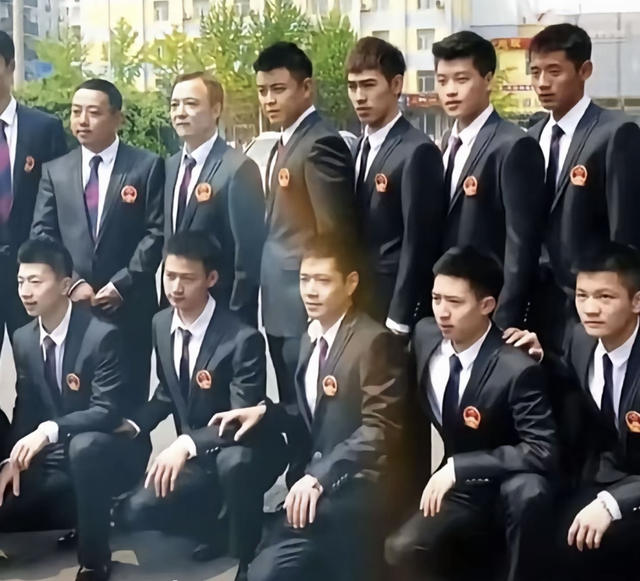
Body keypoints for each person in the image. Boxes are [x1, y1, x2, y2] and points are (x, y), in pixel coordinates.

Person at [211, 234, 407, 581]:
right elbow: (311, 413)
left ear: (351, 283)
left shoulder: (373, 342)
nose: (311, 291)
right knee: (263, 562)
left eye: (323, 281)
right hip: (315, 480)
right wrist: (265, 412)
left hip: (359, 483)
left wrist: (320, 476)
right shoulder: (310, 335)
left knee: (269, 570)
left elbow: (381, 429)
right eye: (304, 279)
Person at [117, 231, 286, 581]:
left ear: (211, 279)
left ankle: (247, 553)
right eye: (169, 276)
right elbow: (169, 392)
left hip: (244, 450)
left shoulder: (242, 338)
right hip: (197, 458)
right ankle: (217, 523)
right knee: (135, 511)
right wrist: (134, 424)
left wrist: (185, 443)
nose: (175, 287)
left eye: (187, 278)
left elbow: (239, 421)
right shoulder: (160, 323)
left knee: (234, 464)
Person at [385, 246, 557, 581]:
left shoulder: (516, 366)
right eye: (436, 299)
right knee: (401, 549)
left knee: (527, 493)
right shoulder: (424, 336)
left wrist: (460, 467)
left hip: (508, 482)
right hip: (459, 486)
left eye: (455, 302)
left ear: (487, 305)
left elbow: (542, 449)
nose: (442, 312)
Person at [0, 237, 148, 581]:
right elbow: (27, 404)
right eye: (20, 282)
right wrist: (12, 461)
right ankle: (81, 513)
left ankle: (95, 559)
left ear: (65, 284)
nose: (25, 292)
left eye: (36, 282)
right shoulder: (23, 338)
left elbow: (107, 410)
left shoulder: (102, 336)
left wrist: (48, 430)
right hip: (55, 457)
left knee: (84, 448)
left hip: (107, 448)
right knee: (8, 507)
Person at [506, 243, 640, 581]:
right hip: (603, 473)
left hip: (632, 489)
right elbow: (572, 379)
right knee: (545, 535)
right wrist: (541, 359)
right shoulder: (580, 338)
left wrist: (614, 503)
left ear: (637, 302)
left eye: (605, 297)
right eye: (582, 296)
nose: (590, 308)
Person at [31, 79, 165, 416]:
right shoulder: (55, 171)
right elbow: (43, 233)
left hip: (129, 306)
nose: (82, 120)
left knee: (130, 404)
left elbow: (156, 233)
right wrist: (73, 282)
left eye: (93, 112)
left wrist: (122, 284)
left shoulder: (146, 166)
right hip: (74, 308)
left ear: (117, 118)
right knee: (79, 403)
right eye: (76, 112)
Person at [526, 24, 640, 355]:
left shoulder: (616, 133)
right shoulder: (530, 138)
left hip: (590, 306)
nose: (542, 83)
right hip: (535, 301)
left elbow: (625, 234)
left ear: (584, 71)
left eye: (554, 71)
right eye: (535, 72)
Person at [255, 41, 357, 405]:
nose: (269, 100)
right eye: (263, 91)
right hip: (280, 306)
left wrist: (324, 309)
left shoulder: (320, 144)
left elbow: (334, 233)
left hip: (306, 308)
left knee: (311, 409)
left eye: (278, 89)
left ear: (307, 88)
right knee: (291, 406)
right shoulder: (285, 141)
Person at [433, 31, 547, 331]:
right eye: (442, 81)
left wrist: (502, 323)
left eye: (461, 79)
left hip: (487, 310)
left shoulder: (513, 146)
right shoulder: (445, 143)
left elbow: (521, 248)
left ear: (488, 80)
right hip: (446, 308)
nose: (450, 90)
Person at [346, 36, 446, 333]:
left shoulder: (417, 151)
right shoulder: (356, 148)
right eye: (352, 86)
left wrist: (400, 318)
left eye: (368, 85)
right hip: (354, 301)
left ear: (396, 84)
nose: (359, 96)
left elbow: (419, 243)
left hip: (390, 306)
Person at [165, 72, 265, 327]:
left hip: (222, 314)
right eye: (175, 105)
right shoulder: (170, 167)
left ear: (216, 109)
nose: (180, 112)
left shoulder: (238, 168)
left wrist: (235, 319)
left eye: (191, 104)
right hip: (178, 314)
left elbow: (248, 258)